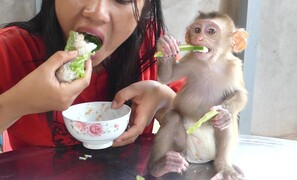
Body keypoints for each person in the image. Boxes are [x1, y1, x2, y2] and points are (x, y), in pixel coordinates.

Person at [0, 0, 183, 152]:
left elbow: (200, 138)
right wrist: (18, 102)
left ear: (145, 9)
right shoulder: (8, 50)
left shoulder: (155, 47)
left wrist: (165, 100)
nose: (97, 13)